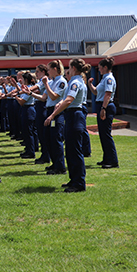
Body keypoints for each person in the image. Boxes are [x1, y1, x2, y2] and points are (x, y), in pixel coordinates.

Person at [45, 58, 90, 192]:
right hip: (72, 115)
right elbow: (68, 99)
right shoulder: (74, 81)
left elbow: (69, 100)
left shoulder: (75, 82)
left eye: (69, 67)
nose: (68, 69)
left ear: (74, 68)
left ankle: (79, 183)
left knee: (75, 151)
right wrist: (60, 103)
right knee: (70, 150)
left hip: (75, 115)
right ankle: (74, 179)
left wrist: (53, 115)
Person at [36, 60, 67, 175]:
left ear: (55, 69)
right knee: (48, 139)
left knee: (56, 139)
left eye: (49, 69)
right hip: (49, 110)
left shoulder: (61, 82)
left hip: (56, 112)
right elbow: (44, 98)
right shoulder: (53, 81)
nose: (47, 72)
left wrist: (45, 85)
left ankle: (60, 166)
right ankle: (55, 163)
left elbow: (54, 97)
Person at [89, 56, 118, 169]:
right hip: (102, 104)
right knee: (102, 134)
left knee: (106, 134)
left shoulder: (109, 79)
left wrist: (103, 108)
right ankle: (107, 158)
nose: (99, 70)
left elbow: (108, 94)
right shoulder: (104, 78)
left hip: (106, 105)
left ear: (105, 67)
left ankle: (113, 160)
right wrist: (90, 84)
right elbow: (96, 92)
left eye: (100, 68)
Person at [16, 72, 37, 159]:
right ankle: (29, 149)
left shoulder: (29, 89)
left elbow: (22, 102)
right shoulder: (26, 88)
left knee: (29, 131)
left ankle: (31, 151)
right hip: (27, 109)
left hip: (29, 109)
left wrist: (16, 97)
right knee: (27, 131)